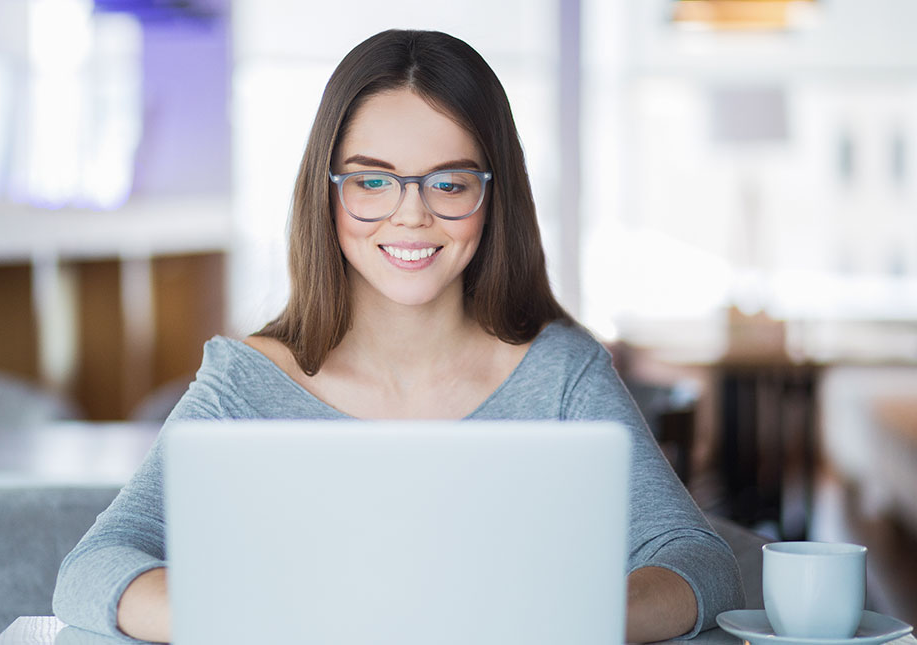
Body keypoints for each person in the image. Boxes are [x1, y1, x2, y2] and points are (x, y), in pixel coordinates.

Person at [53, 29, 744, 643]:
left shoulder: (560, 372)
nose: (410, 216)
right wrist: (260, 622)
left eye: (448, 183)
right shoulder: (246, 380)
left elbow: (698, 559)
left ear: (492, 195)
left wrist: (567, 621)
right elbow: (93, 568)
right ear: (328, 194)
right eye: (374, 181)